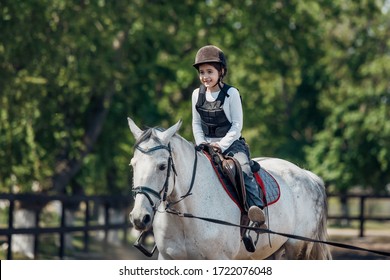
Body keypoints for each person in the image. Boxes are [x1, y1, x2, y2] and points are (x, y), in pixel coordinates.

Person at [191, 45, 267, 231]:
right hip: (205, 144)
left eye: (210, 71)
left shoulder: (231, 94)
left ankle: (256, 209)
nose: (205, 76)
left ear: (221, 71)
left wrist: (221, 145)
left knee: (244, 168)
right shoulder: (196, 94)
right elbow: (196, 124)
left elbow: (237, 125)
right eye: (202, 72)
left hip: (232, 144)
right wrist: (202, 143)